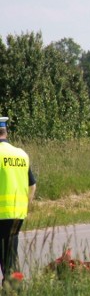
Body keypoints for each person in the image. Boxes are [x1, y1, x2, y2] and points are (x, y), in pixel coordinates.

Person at [0, 117, 36, 285]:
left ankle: (12, 292)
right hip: (17, 215)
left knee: (6, 261)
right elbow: (32, 185)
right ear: (6, 131)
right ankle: (14, 293)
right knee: (10, 259)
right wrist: (25, 206)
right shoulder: (21, 154)